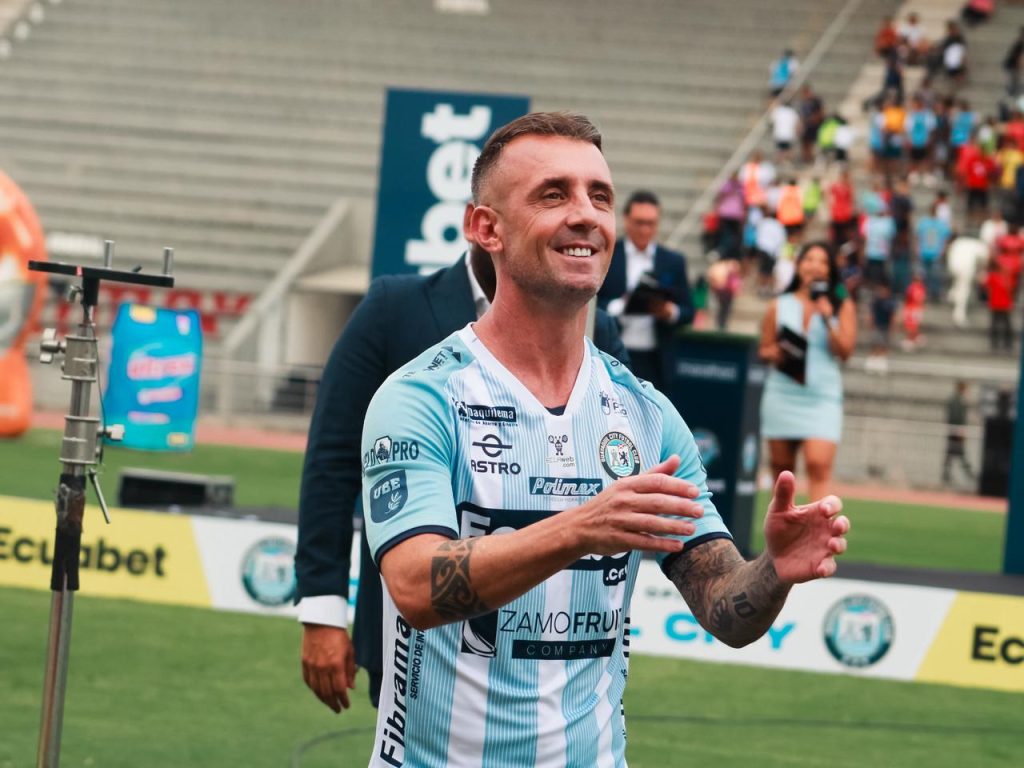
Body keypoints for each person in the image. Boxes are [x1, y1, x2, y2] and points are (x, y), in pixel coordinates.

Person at [359, 111, 850, 767]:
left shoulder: (646, 414)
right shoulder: (421, 397)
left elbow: (724, 610)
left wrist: (772, 570)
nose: (586, 215)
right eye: (553, 194)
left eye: (600, 196)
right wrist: (581, 528)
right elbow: (416, 588)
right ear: (486, 228)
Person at [295, 230, 631, 714]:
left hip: (558, 641)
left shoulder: (594, 326)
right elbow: (333, 459)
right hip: (418, 637)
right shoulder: (395, 308)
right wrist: (323, 608)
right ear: (483, 223)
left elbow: (623, 453)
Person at [759, 241, 857, 502]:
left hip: (822, 397)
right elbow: (764, 349)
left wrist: (828, 318)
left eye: (823, 261)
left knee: (818, 464)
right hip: (782, 393)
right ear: (799, 265)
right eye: (809, 259)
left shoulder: (841, 305)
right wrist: (774, 352)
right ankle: (783, 526)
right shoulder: (778, 304)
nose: (815, 266)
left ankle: (818, 525)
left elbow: (845, 351)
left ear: (830, 270)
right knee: (782, 471)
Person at [598, 189, 694, 391]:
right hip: (612, 355)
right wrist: (620, 306)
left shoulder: (673, 261)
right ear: (626, 220)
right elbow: (591, 304)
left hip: (657, 360)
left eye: (651, 223)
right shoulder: (607, 255)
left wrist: (670, 312)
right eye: (639, 223)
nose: (644, 230)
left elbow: (688, 311)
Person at [946, 232, 990, 326]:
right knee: (964, 290)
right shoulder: (978, 244)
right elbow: (985, 258)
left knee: (958, 283)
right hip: (966, 268)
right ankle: (959, 315)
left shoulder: (958, 241)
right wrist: (982, 271)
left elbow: (949, 252)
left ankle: (953, 295)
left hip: (953, 266)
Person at [943, 380, 975, 484]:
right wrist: (960, 430)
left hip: (954, 431)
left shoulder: (955, 400)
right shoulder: (958, 401)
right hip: (956, 431)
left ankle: (947, 475)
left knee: (952, 453)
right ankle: (968, 474)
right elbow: (957, 417)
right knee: (958, 453)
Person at [866, 279, 896, 374]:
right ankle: (872, 362)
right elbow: (872, 314)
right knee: (875, 343)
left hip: (885, 326)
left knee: (884, 345)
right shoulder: (876, 301)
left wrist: (892, 326)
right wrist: (871, 323)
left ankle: (882, 363)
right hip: (877, 326)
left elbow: (892, 315)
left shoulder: (890, 302)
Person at [1005, 28, 1024, 98]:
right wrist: (1019, 66)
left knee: (1014, 80)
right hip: (1012, 64)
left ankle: (1012, 92)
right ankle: (1011, 94)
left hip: (1012, 64)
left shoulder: (1019, 43)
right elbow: (1019, 57)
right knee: (1013, 80)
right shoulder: (1020, 44)